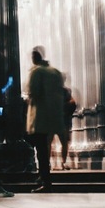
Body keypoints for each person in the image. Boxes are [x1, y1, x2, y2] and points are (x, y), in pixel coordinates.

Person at [25, 46, 66, 192]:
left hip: (40, 116)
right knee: (45, 148)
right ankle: (43, 176)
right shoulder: (55, 72)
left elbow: (33, 92)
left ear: (36, 57)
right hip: (53, 116)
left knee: (41, 150)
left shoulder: (37, 72)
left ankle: (45, 180)